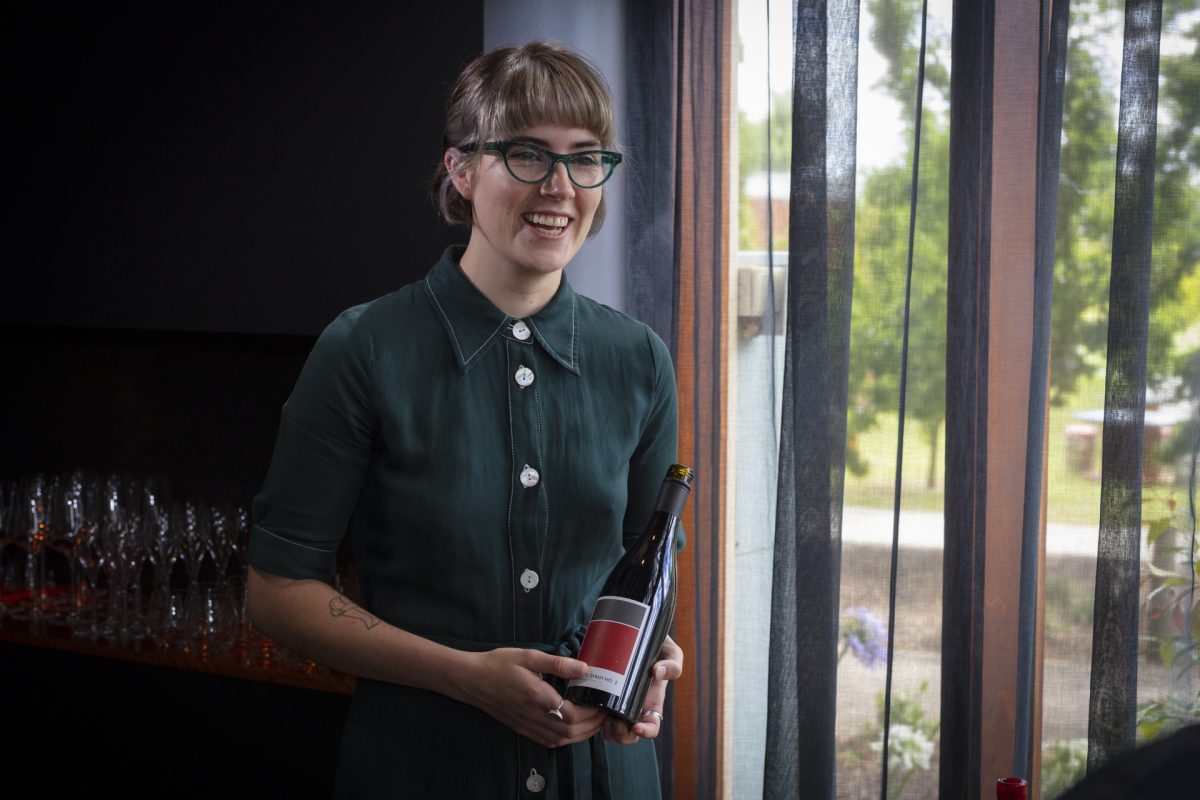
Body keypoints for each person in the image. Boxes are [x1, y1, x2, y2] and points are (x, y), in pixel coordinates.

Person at [245, 40, 684, 799]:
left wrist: (653, 663)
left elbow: (648, 570)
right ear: (461, 170)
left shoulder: (639, 359)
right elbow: (276, 592)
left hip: (605, 775)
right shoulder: (365, 348)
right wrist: (465, 678)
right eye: (526, 155)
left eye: (585, 159)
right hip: (421, 768)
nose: (560, 186)